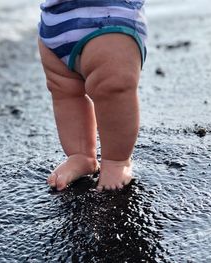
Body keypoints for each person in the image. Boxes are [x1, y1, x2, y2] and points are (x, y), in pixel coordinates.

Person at [38, 0, 148, 191]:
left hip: (110, 14)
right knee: (64, 91)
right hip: (55, 19)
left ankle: (116, 160)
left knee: (113, 87)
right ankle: (80, 155)